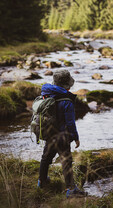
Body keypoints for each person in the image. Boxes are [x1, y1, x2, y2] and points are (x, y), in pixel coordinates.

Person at [38, 69, 86, 198]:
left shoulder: (47, 94)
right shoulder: (67, 100)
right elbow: (70, 122)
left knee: (46, 158)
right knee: (66, 161)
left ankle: (41, 181)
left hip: (48, 133)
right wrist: (76, 137)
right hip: (62, 136)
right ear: (67, 84)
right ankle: (71, 189)